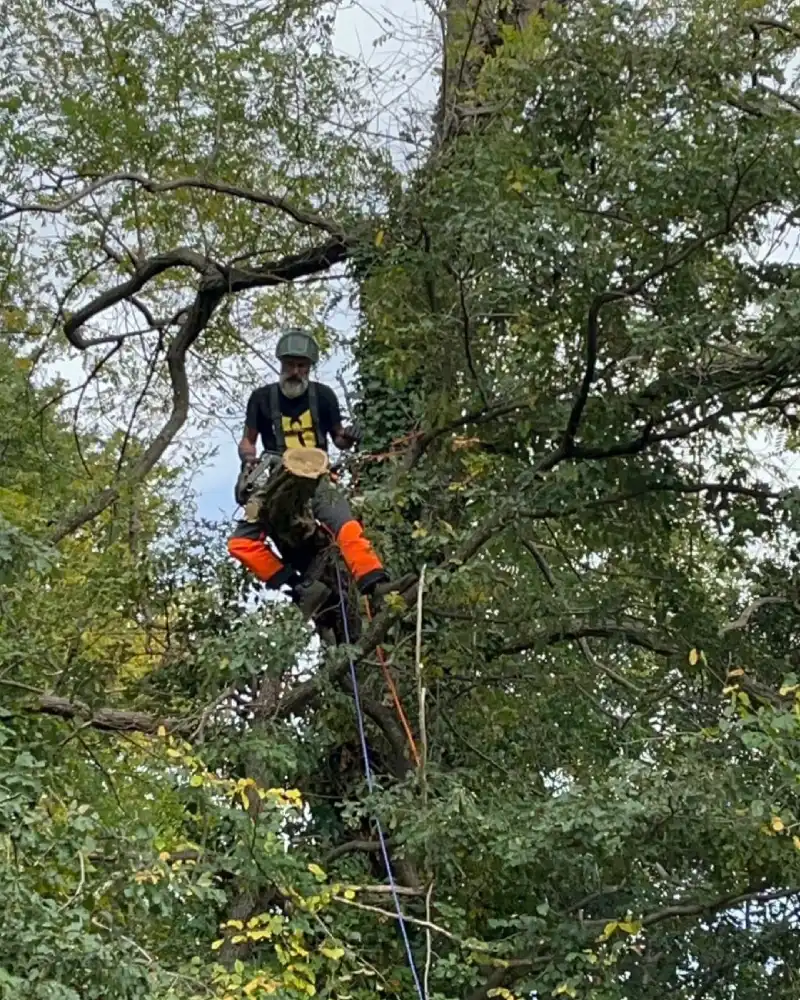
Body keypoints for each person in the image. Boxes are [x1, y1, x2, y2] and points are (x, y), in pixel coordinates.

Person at [227, 328, 412, 619]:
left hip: (318, 475)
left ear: (309, 368)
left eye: (302, 366)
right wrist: (248, 463)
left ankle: (375, 582)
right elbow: (248, 440)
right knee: (241, 543)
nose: (295, 371)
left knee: (345, 525)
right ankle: (300, 588)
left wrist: (349, 437)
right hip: (274, 475)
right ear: (281, 364)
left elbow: (338, 437)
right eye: (290, 364)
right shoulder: (262, 398)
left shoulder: (322, 396)